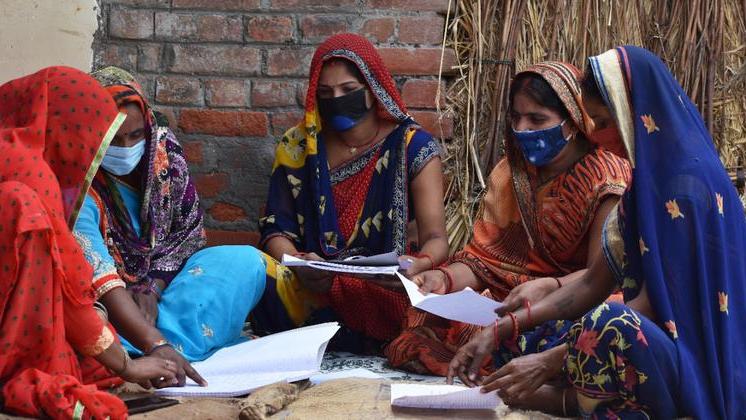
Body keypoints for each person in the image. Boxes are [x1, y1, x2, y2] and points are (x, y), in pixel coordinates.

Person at [448, 46, 746, 419]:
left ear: (636, 113)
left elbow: (653, 307)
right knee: (526, 337)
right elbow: (592, 282)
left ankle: (559, 400)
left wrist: (549, 361)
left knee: (607, 324)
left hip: (700, 362)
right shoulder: (646, 182)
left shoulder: (686, 185)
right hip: (654, 345)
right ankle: (560, 394)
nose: (597, 136)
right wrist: (499, 329)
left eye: (603, 121)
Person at [386, 62, 631, 376]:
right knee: (423, 318)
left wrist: (548, 288)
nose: (523, 129)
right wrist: (443, 279)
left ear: (573, 120)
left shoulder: (607, 178)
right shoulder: (511, 173)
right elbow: (485, 264)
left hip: (574, 300)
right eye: (516, 118)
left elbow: (601, 276)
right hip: (511, 299)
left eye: (537, 119)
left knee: (597, 325)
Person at [0, 67, 181, 419]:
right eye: (97, 139)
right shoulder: (30, 177)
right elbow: (69, 289)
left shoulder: (12, 152)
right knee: (81, 365)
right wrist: (128, 366)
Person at [255, 33, 449, 352]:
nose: (337, 99)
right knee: (260, 281)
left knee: (422, 309)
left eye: (348, 90)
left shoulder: (411, 146)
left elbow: (437, 238)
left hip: (386, 283)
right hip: (316, 284)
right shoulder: (299, 146)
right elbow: (275, 229)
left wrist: (417, 265)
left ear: (373, 89)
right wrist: (299, 264)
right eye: (325, 93)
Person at [72, 66, 265, 371]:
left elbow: (187, 233)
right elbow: (95, 271)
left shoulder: (164, 153)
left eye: (135, 135)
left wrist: (153, 288)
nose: (126, 148)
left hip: (163, 292)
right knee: (85, 320)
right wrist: (153, 337)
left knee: (244, 261)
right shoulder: (78, 185)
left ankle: (153, 348)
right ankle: (153, 349)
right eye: (113, 139)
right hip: (108, 300)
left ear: (148, 126)